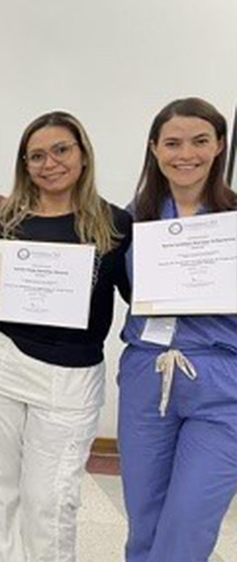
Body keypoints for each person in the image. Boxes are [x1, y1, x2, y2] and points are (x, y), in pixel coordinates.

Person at [0, 111, 131, 562]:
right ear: (24, 163)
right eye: (36, 155)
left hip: (70, 379)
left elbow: (138, 296)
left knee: (51, 501)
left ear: (83, 155)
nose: (49, 163)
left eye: (60, 150)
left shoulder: (114, 225)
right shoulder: (3, 220)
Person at [117, 97, 237, 562]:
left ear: (219, 145)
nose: (185, 153)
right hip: (148, 374)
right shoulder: (132, 219)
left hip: (221, 380)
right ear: (154, 148)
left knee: (189, 522)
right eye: (172, 143)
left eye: (200, 141)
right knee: (143, 520)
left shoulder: (233, 219)